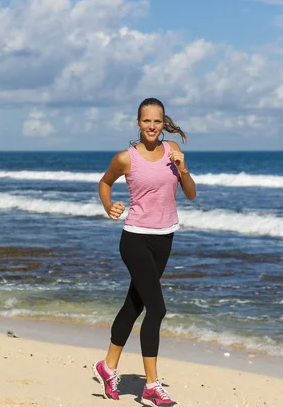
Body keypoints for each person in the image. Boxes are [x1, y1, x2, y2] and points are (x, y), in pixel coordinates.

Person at [92, 98, 196, 406]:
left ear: (164, 123)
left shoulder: (173, 152)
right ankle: (151, 384)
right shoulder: (126, 158)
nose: (152, 126)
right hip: (135, 238)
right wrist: (108, 206)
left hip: (165, 238)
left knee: (134, 305)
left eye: (157, 121)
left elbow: (190, 194)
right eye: (146, 120)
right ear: (138, 123)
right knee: (157, 308)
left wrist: (183, 167)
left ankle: (107, 367)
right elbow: (104, 182)